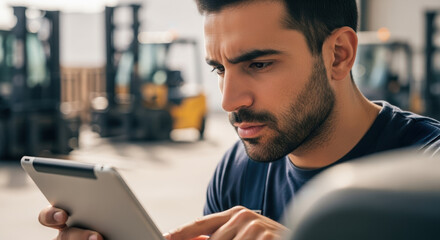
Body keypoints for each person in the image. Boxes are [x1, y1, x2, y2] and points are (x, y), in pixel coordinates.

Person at [38, 0, 440, 239]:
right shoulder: (238, 169)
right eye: (219, 69)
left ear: (338, 54)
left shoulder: (428, 169)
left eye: (259, 63)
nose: (229, 100)